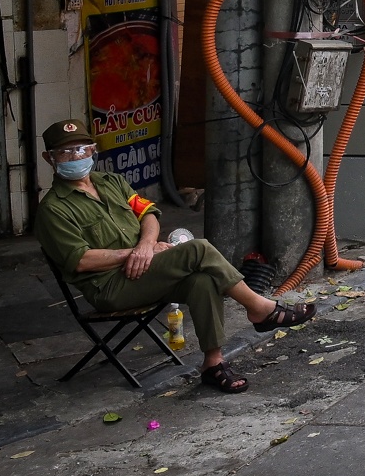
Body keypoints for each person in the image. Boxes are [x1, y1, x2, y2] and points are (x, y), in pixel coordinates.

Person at [33, 120, 313, 393]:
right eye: (65, 152)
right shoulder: (53, 209)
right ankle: (259, 308)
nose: (76, 156)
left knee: (202, 281)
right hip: (110, 286)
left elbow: (149, 214)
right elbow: (81, 260)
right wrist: (137, 252)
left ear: (93, 150)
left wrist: (147, 244)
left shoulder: (112, 182)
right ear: (49, 158)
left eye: (82, 149)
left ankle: (213, 363)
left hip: (146, 270)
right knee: (198, 249)